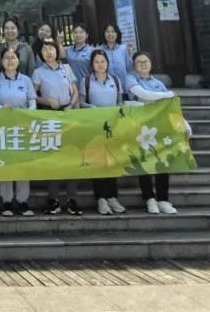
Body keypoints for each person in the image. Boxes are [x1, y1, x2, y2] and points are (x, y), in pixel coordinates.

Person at [125, 52, 189, 215]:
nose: (143, 64)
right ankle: (149, 199)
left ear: (151, 63)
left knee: (162, 161)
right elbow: (143, 95)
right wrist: (167, 95)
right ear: (134, 65)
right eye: (139, 62)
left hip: (159, 127)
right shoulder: (131, 79)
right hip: (139, 127)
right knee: (143, 161)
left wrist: (186, 126)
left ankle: (163, 199)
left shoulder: (158, 83)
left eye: (146, 61)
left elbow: (171, 107)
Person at [0, 47, 37, 217]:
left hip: (22, 128)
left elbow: (33, 103)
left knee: (22, 163)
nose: (10, 60)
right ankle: (6, 201)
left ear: (19, 61)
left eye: (13, 57)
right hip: (2, 127)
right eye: (6, 57)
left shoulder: (26, 80)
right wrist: (0, 108)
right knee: (5, 163)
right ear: (1, 61)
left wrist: (26, 114)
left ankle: (22, 201)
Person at [33, 37, 82, 216]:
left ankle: (72, 199)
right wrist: (48, 101)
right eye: (44, 50)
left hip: (68, 115)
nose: (48, 52)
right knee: (53, 158)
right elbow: (33, 95)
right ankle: (53, 199)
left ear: (57, 50)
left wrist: (72, 104)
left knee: (70, 157)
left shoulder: (66, 68)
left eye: (51, 48)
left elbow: (75, 91)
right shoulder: (38, 72)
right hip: (49, 116)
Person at [79, 49, 126, 216]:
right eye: (97, 62)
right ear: (92, 64)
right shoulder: (86, 81)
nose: (100, 65)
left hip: (112, 127)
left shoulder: (115, 80)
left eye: (103, 61)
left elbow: (120, 101)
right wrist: (92, 108)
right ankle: (101, 199)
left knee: (112, 162)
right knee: (98, 163)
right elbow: (81, 102)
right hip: (95, 127)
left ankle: (113, 197)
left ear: (107, 63)